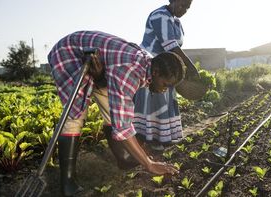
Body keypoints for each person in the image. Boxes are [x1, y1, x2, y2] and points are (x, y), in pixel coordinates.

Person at [48, 30, 180, 196]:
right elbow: (123, 126)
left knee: (111, 108)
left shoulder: (149, 63)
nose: (164, 90)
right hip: (68, 54)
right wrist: (149, 163)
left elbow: (118, 112)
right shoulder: (128, 73)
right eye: (165, 84)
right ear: (155, 72)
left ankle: (123, 158)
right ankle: (67, 182)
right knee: (75, 115)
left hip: (99, 64)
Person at [134, 0, 196, 150]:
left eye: (187, 8)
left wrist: (179, 69)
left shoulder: (176, 22)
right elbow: (171, 45)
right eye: (181, 5)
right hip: (152, 66)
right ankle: (151, 140)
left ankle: (164, 137)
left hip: (167, 67)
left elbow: (176, 47)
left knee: (164, 101)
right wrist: (189, 65)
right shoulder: (160, 15)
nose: (184, 10)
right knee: (154, 101)